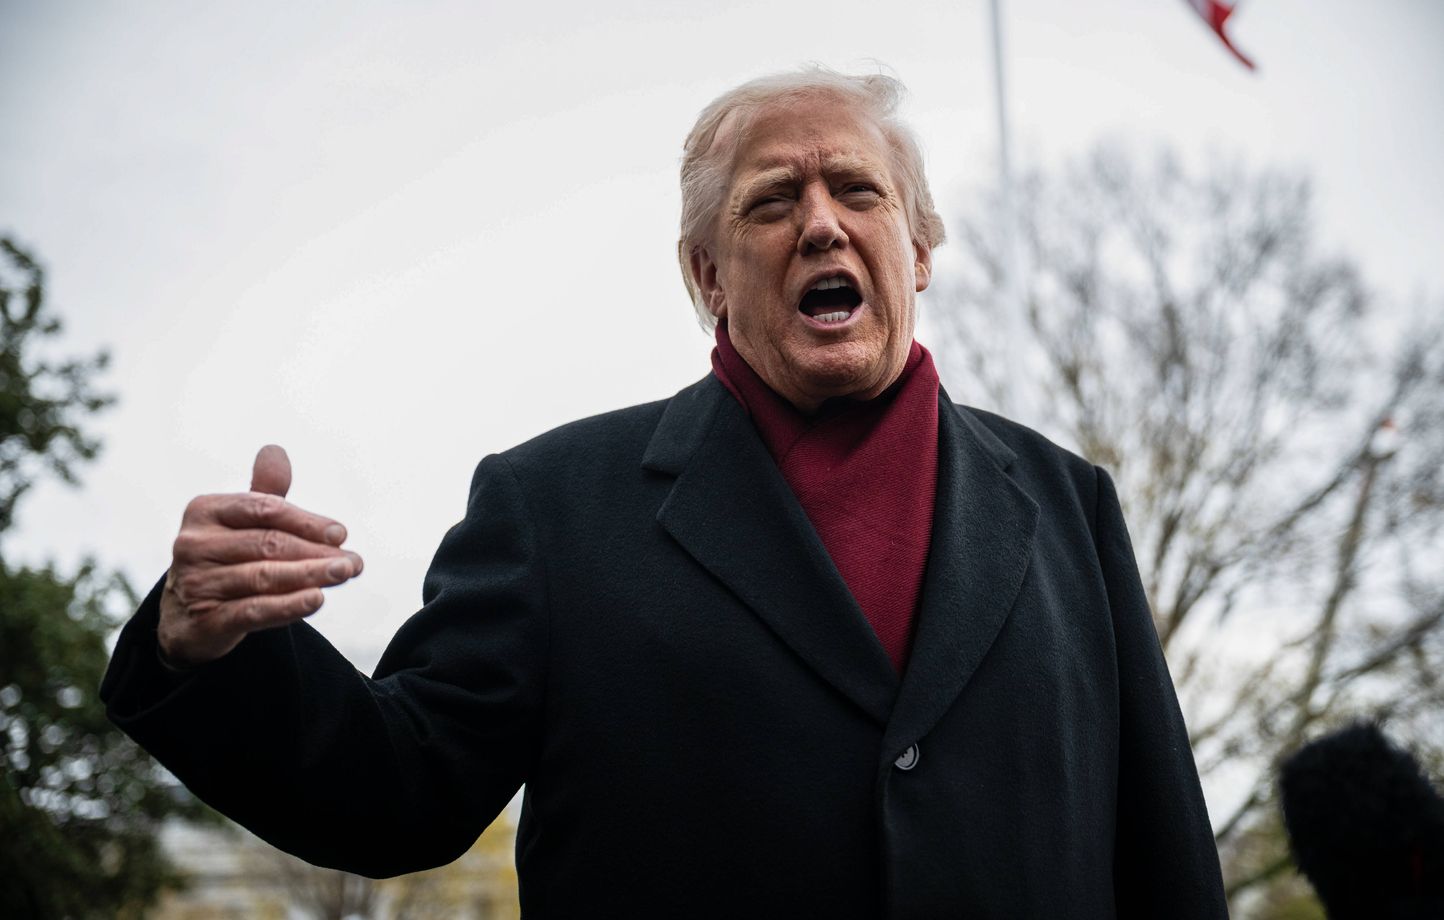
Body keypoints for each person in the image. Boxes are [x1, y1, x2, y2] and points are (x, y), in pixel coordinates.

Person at [102, 68, 1228, 917]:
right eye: (771, 201)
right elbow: (399, 789)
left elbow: (1164, 854)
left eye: (858, 190)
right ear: (706, 274)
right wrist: (208, 648)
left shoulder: (1069, 505)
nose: (822, 221)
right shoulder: (552, 506)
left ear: (919, 248)